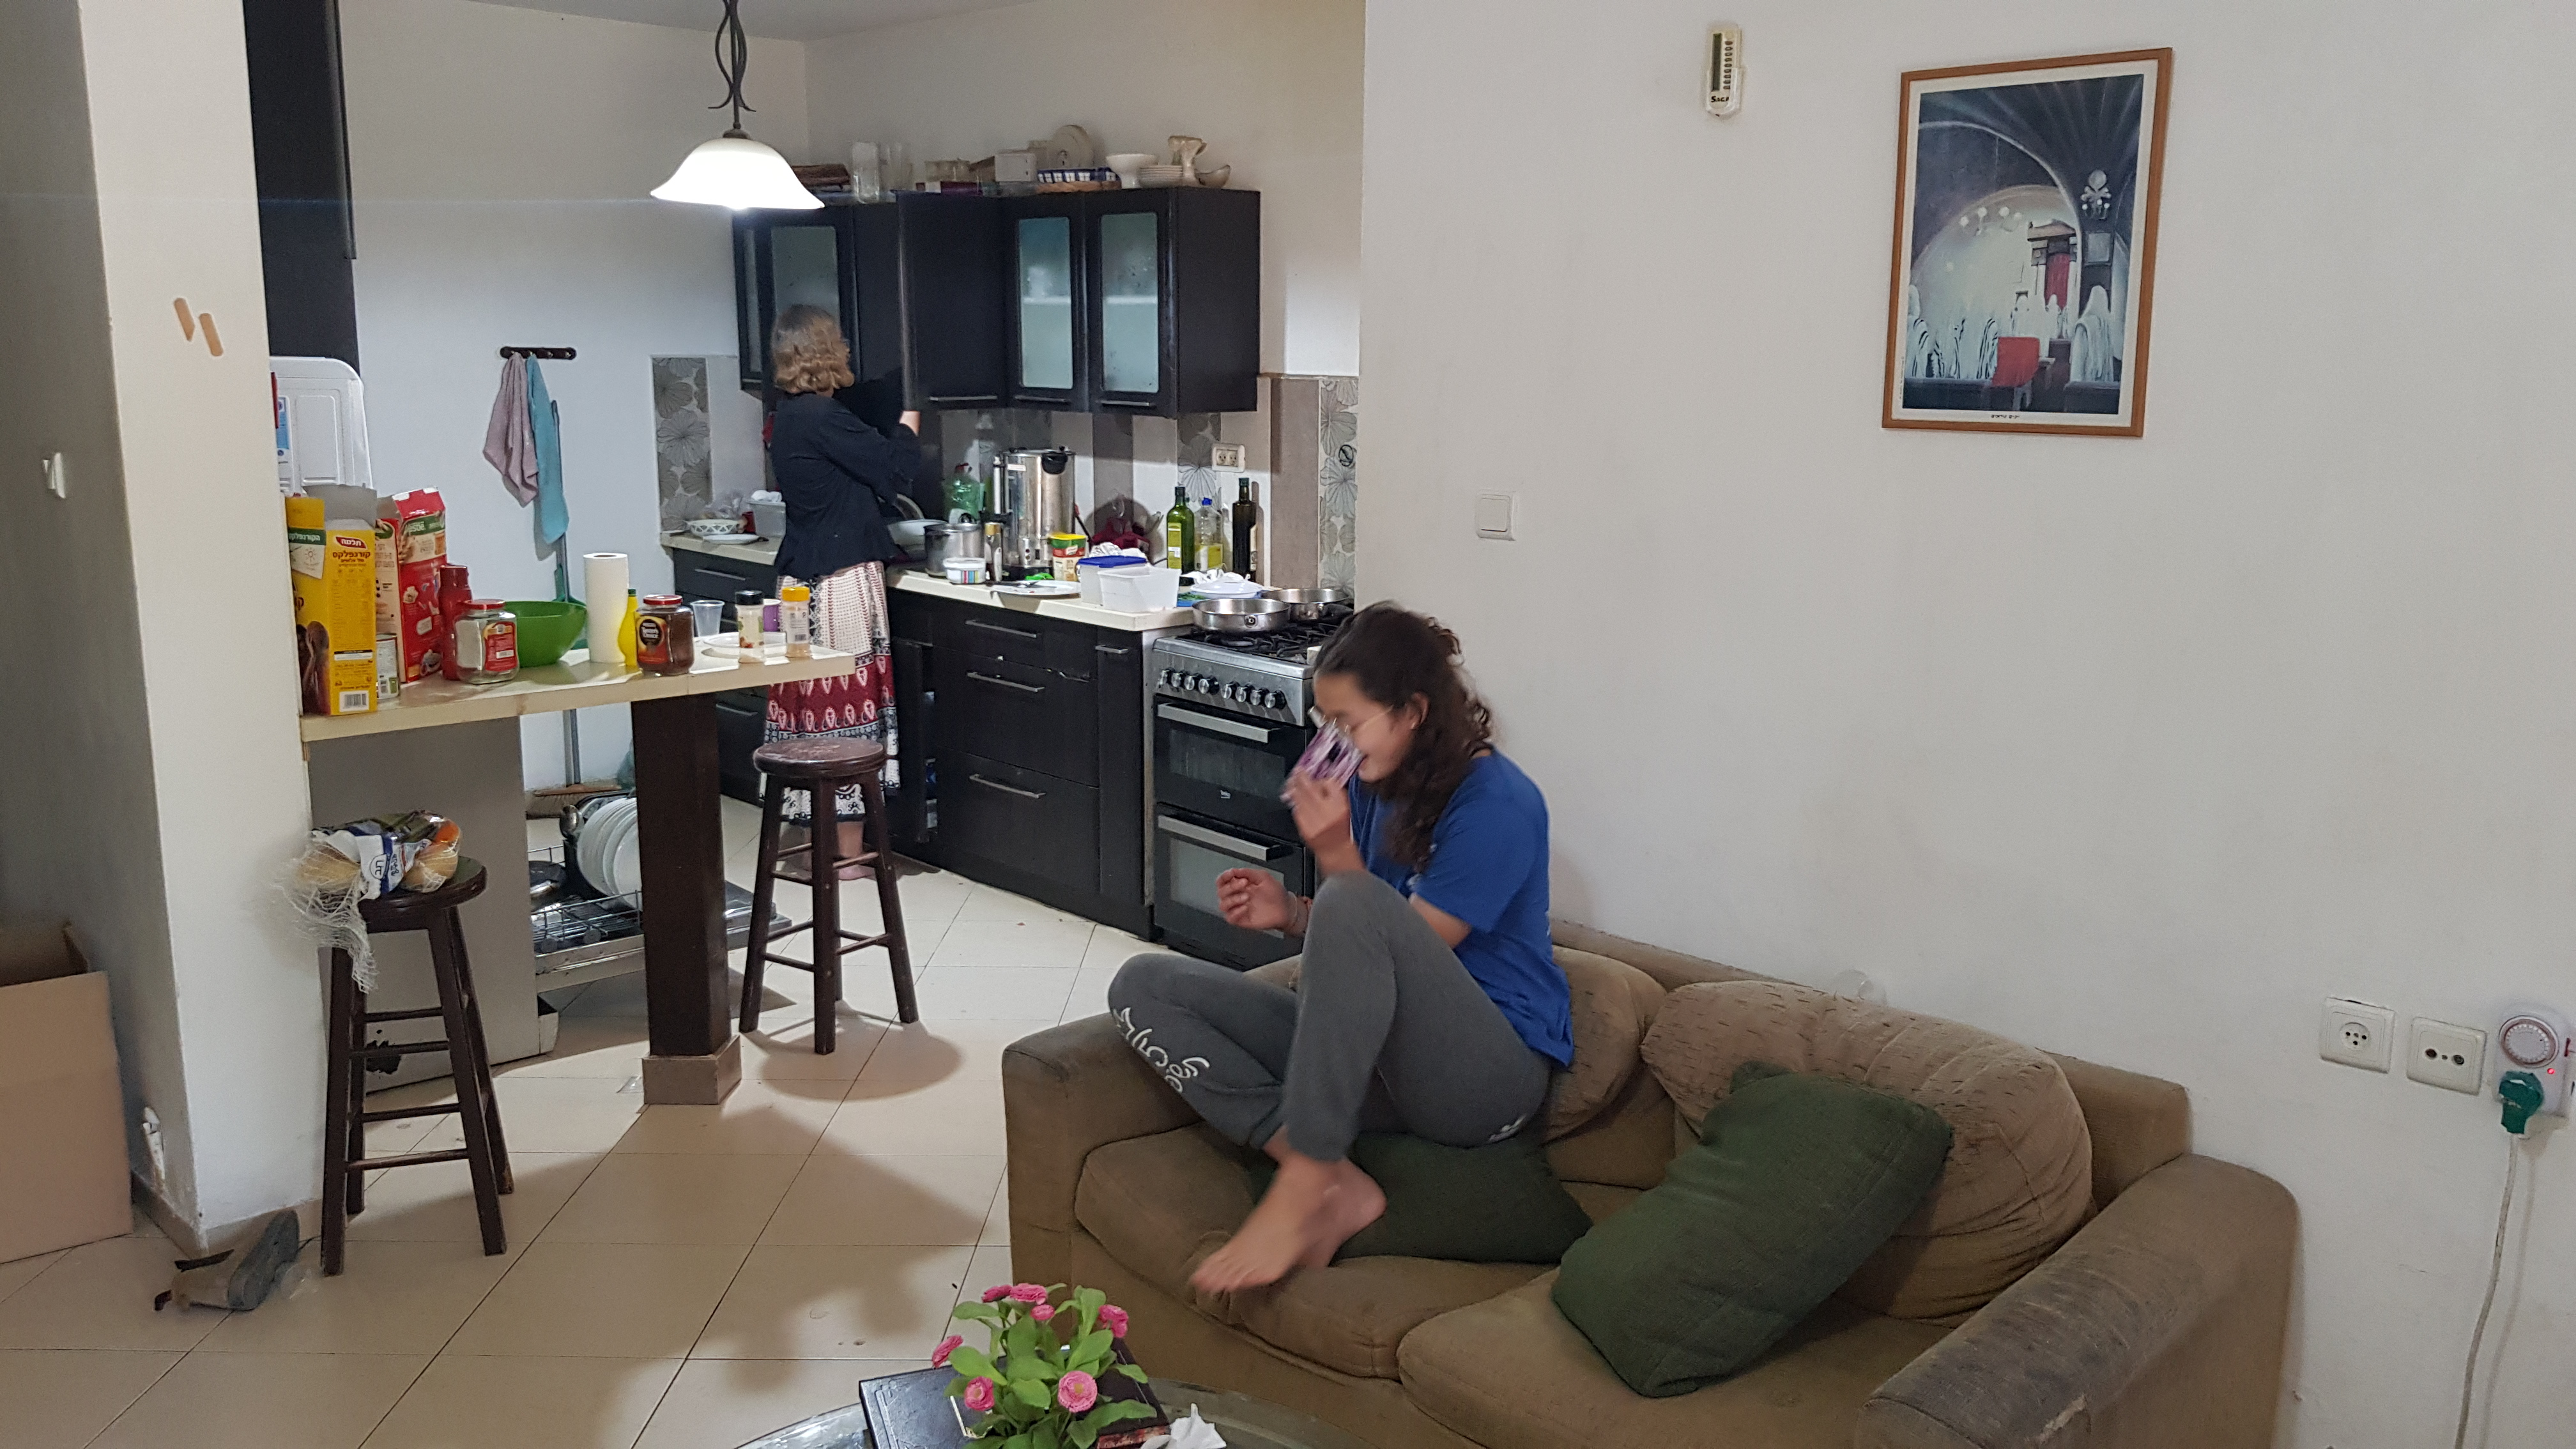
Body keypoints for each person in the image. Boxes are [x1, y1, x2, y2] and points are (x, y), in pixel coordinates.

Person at [1108, 603, 1569, 1292]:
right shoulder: (1377, 778)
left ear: (1413, 711)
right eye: (1326, 722)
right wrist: (1293, 914)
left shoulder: (1498, 806)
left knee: (1351, 901)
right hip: (1380, 1062)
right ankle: (1336, 1184)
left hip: (1485, 1081)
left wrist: (1332, 855)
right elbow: (1365, 945)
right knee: (1143, 985)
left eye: (1348, 723)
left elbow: (1400, 945)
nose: (1336, 743)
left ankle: (1305, 1177)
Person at [763, 303, 922, 860]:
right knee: (847, 708)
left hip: (799, 579)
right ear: (826, 352)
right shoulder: (823, 418)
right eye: (840, 341)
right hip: (839, 581)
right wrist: (911, 416)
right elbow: (896, 468)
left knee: (808, 709)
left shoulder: (790, 416)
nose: (849, 349)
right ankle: (849, 854)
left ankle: (816, 841)